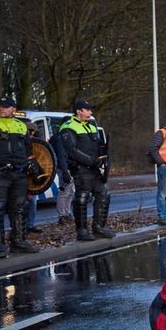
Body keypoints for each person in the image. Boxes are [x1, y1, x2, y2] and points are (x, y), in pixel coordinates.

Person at [0, 96, 40, 257]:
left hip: (19, 174)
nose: (1, 109)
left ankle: (19, 242)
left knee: (19, 208)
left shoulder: (22, 127)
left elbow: (28, 150)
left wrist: (32, 164)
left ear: (13, 109)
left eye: (5, 106)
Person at [60, 99, 114, 241]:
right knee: (82, 198)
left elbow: (97, 145)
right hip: (81, 168)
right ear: (79, 111)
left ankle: (99, 227)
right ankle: (82, 231)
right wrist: (91, 161)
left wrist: (103, 157)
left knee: (103, 195)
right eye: (87, 109)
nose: (90, 112)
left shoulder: (91, 125)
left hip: (96, 168)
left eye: (90, 109)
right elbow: (72, 150)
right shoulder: (68, 126)